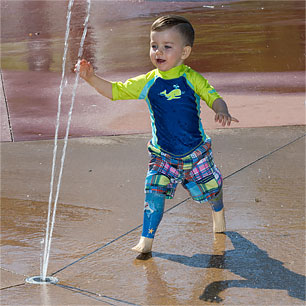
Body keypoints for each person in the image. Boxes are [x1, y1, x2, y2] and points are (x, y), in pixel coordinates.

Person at [77, 15, 239, 258]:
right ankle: (146, 239)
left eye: (166, 47)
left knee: (211, 189)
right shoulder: (149, 82)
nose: (158, 52)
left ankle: (218, 210)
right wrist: (90, 78)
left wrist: (221, 110)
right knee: (154, 192)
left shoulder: (191, 78)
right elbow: (115, 91)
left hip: (195, 153)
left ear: (185, 52)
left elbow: (212, 95)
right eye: (154, 46)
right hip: (163, 156)